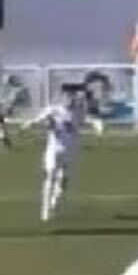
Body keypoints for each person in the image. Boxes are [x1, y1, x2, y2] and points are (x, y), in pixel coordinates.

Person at [25, 84, 103, 222]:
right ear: (63, 97)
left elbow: (92, 119)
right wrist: (30, 124)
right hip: (53, 149)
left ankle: (55, 200)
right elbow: (39, 119)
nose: (71, 99)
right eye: (68, 96)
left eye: (73, 97)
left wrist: (98, 126)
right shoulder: (53, 110)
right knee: (50, 176)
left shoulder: (79, 111)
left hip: (70, 150)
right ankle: (45, 209)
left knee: (63, 181)